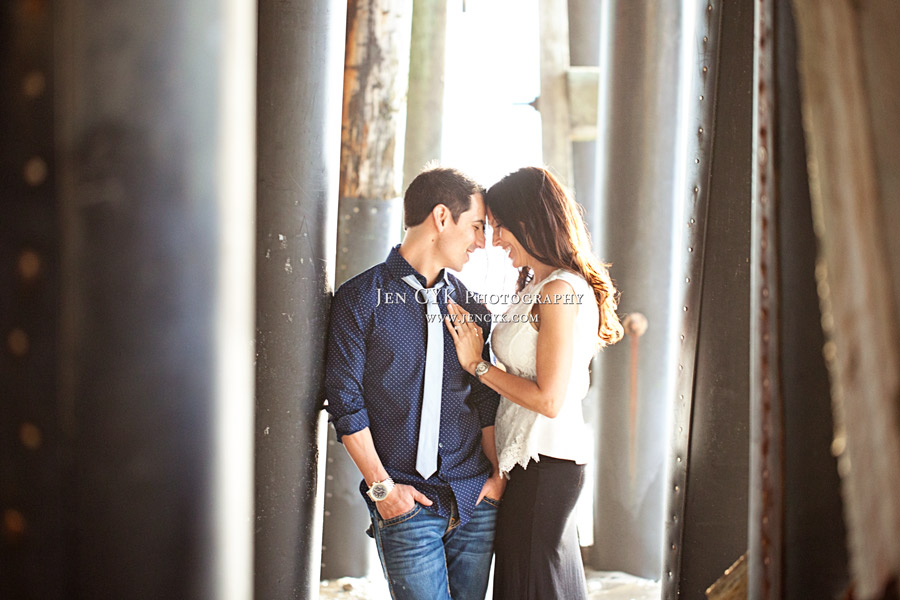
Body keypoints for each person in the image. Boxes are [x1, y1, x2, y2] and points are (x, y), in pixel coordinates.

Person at [325, 167, 505, 600]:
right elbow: (346, 403)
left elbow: (484, 403)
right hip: (404, 503)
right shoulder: (359, 299)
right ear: (442, 217)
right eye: (477, 226)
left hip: (474, 499)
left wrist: (496, 480)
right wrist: (383, 490)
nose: (482, 242)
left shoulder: (472, 308)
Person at [445, 166, 623, 600]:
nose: (495, 239)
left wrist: (476, 365)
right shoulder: (539, 285)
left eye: (500, 227)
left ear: (529, 221)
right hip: (531, 462)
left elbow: (548, 399)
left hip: (547, 463)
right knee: (541, 584)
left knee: (532, 585)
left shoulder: (559, 290)